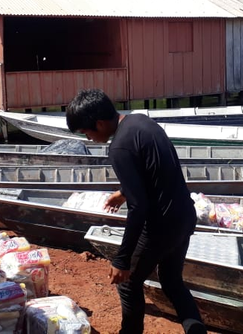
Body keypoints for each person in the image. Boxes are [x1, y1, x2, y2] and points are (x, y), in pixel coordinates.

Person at [66, 89, 206, 334]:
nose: (88, 138)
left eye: (86, 132)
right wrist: (123, 192)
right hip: (184, 216)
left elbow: (139, 208)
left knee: (128, 283)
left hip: (161, 226)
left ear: (99, 123)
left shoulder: (119, 148)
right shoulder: (141, 122)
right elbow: (156, 170)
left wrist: (122, 259)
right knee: (172, 282)